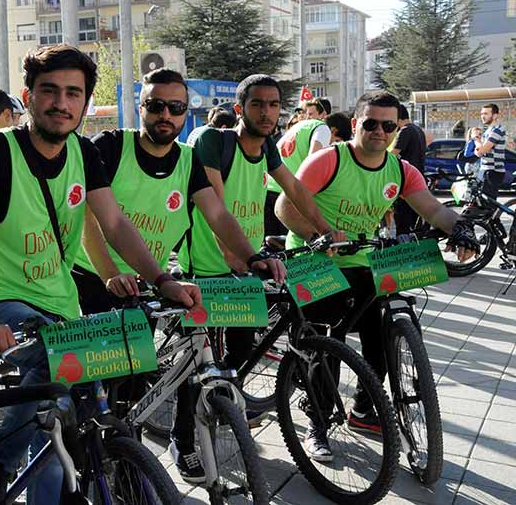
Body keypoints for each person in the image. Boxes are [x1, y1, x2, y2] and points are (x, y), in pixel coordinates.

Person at [0, 45, 202, 505]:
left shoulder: (83, 153)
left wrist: (161, 279)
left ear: (86, 104)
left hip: (60, 303)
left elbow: (115, 225)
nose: (61, 103)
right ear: (27, 97)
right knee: (53, 373)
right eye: (49, 91)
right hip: (0, 301)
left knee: (65, 420)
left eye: (74, 94)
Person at [70, 68, 285, 483]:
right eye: (155, 105)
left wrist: (251, 255)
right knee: (102, 388)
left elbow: (217, 213)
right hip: (94, 277)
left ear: (187, 112)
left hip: (149, 280)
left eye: (176, 108)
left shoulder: (187, 160)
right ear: (141, 106)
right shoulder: (111, 147)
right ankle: (96, 461)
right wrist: (111, 272)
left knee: (132, 384)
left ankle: (128, 452)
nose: (165, 115)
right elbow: (90, 219)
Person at [276, 91, 478, 462]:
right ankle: (316, 423)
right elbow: (285, 206)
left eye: (389, 125)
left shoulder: (400, 170)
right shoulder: (328, 161)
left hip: (364, 260)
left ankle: (364, 409)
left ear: (397, 128)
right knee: (327, 340)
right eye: (370, 123)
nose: (379, 131)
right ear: (355, 125)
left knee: (384, 335)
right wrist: (316, 237)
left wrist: (462, 229)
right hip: (313, 259)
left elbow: (433, 209)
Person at [178, 74, 341, 409]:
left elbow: (294, 189)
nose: (266, 112)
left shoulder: (267, 145)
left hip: (246, 259)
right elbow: (216, 208)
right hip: (209, 266)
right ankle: (187, 434)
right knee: (198, 367)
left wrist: (326, 230)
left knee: (241, 350)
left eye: (274, 105)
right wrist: (235, 255)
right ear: (240, 108)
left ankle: (228, 407)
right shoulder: (213, 142)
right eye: (257, 104)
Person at [265, 111, 346, 235]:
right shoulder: (324, 130)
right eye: (336, 141)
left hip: (269, 188)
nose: (332, 146)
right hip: (287, 195)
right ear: (334, 131)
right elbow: (314, 161)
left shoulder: (303, 125)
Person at [390, 104, 427, 234]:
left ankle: (404, 251)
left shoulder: (405, 131)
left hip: (406, 182)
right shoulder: (418, 130)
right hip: (418, 180)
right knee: (414, 224)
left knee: (403, 223)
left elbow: (392, 155)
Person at [476, 103, 508, 201]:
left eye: (486, 114)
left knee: (488, 205)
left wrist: (476, 138)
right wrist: (479, 146)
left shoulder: (498, 130)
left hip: (493, 171)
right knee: (481, 203)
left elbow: (481, 150)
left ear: (495, 116)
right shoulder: (488, 131)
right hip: (485, 170)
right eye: (482, 114)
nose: (482, 116)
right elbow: (477, 152)